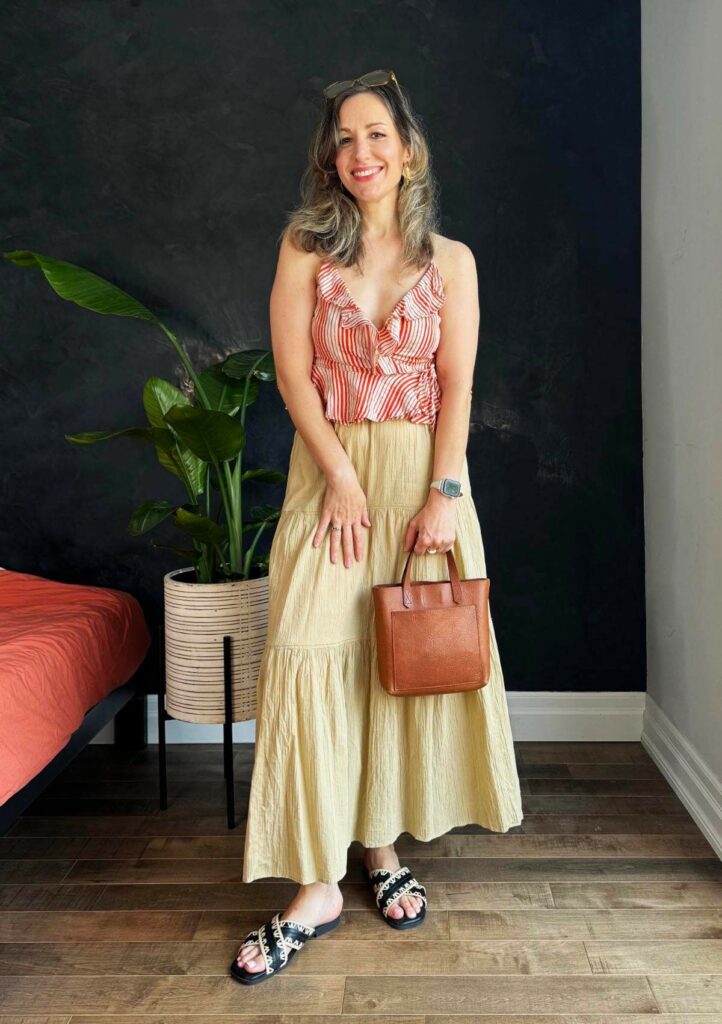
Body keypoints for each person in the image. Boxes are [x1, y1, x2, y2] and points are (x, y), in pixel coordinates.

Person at [230, 69, 524, 986]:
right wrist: (342, 481)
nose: (361, 152)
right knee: (312, 653)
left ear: (408, 151)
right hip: (334, 475)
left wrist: (445, 491)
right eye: (345, 139)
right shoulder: (303, 252)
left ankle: (380, 847)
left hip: (425, 483)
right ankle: (316, 885)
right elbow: (292, 378)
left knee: (402, 664)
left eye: (376, 136)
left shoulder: (456, 263)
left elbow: (459, 385)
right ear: (332, 158)